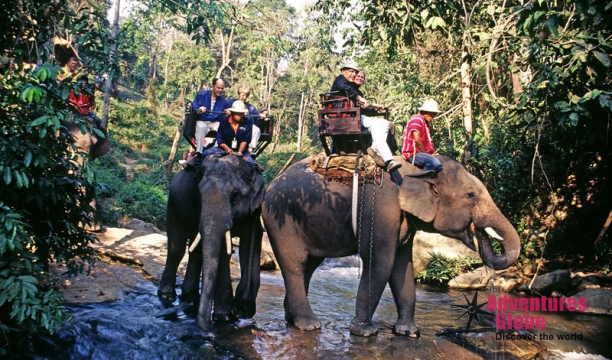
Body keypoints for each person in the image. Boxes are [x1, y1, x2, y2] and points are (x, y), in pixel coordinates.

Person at [330, 61, 401, 172]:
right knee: (380, 123)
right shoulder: (340, 80)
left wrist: (372, 106)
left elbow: (359, 105)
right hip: (347, 120)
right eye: (351, 71)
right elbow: (344, 88)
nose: (354, 74)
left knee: (384, 123)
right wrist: (359, 98)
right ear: (343, 71)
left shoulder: (351, 87)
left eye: (356, 72)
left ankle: (382, 154)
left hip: (351, 118)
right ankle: (378, 151)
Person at [201, 100, 257, 168]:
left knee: (251, 164)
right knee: (204, 154)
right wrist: (227, 149)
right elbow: (220, 139)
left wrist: (239, 153)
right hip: (223, 149)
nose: (240, 115)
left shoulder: (248, 123)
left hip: (240, 150)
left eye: (241, 113)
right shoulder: (224, 123)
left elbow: (245, 140)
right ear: (232, 113)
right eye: (238, 113)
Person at [401, 99, 443, 172]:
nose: (433, 116)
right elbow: (417, 139)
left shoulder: (426, 123)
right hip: (413, 153)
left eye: (435, 114)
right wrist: (427, 154)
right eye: (432, 114)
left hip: (420, 153)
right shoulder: (417, 119)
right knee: (435, 163)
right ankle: (418, 181)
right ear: (424, 112)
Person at [191, 78, 229, 153]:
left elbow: (222, 117)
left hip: (214, 122)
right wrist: (199, 110)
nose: (220, 90)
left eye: (222, 88)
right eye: (218, 88)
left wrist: (226, 114)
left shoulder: (223, 101)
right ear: (213, 86)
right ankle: (199, 152)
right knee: (201, 127)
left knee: (221, 127)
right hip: (202, 120)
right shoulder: (201, 95)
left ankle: (215, 151)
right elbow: (194, 108)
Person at [226, 84, 265, 153]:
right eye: (243, 95)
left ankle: (250, 149)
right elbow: (224, 110)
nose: (244, 97)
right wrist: (226, 111)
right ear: (239, 93)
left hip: (245, 126)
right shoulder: (231, 102)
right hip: (232, 124)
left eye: (246, 95)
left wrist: (260, 116)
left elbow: (256, 115)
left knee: (256, 130)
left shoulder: (250, 107)